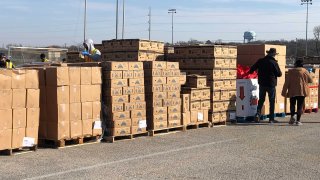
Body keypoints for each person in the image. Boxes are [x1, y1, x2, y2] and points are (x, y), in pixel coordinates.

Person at [249, 48, 282, 124]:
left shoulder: (261, 61)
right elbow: (279, 74)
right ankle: (271, 119)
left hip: (262, 83)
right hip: (271, 84)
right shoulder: (274, 63)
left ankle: (257, 114)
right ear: (273, 55)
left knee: (261, 100)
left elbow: (251, 69)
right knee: (272, 101)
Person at [281, 59, 313, 125]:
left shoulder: (290, 71)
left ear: (295, 64)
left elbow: (286, 82)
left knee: (292, 104)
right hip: (301, 91)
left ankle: (292, 117)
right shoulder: (305, 71)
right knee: (300, 106)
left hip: (292, 91)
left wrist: (284, 92)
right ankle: (298, 121)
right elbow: (311, 80)